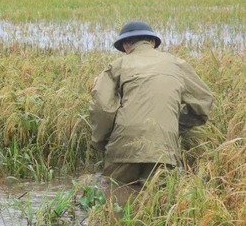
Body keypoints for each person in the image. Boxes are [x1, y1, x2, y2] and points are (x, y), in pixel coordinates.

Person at [89, 21, 214, 186]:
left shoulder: (118, 65)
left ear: (126, 45)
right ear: (153, 42)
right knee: (158, 203)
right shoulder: (177, 64)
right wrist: (176, 126)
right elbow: (204, 101)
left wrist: (100, 141)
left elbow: (103, 107)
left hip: (124, 146)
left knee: (114, 197)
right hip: (164, 147)